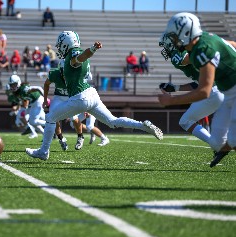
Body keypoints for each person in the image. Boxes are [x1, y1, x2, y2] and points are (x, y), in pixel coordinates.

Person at [26, 31, 163, 160]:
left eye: (60, 44)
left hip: (80, 97)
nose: (59, 48)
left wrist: (92, 49)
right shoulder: (75, 55)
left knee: (50, 117)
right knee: (112, 121)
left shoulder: (73, 55)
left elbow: (79, 58)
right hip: (91, 93)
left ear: (67, 43)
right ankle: (143, 125)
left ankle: (43, 152)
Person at [158, 12, 236, 167]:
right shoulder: (204, 40)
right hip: (226, 91)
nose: (172, 42)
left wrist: (171, 100)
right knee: (217, 142)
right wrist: (177, 88)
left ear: (186, 33)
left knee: (232, 139)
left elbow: (204, 91)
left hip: (228, 89)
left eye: (173, 38)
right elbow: (232, 43)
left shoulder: (200, 50)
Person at [158, 36, 224, 146]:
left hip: (213, 92)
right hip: (221, 90)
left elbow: (185, 59)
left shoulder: (177, 55)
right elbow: (197, 84)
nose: (165, 49)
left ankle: (215, 144)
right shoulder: (186, 52)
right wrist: (176, 88)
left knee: (185, 121)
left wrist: (205, 53)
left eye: (166, 45)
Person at [8, 74, 46, 139]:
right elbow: (24, 101)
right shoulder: (17, 92)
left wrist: (45, 98)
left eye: (14, 84)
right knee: (20, 115)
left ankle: (50, 124)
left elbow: (38, 88)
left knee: (33, 121)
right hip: (32, 104)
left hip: (38, 101)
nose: (13, 86)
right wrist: (24, 108)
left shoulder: (24, 89)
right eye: (11, 85)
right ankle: (29, 128)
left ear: (18, 82)